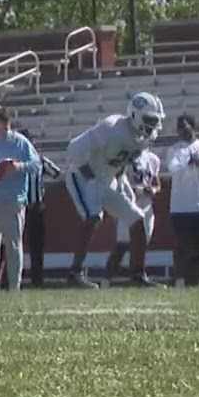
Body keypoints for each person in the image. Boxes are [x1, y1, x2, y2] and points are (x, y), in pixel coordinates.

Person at [63, 93, 165, 288]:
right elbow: (74, 148)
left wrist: (120, 179)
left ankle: (138, 275)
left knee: (137, 218)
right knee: (93, 218)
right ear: (135, 115)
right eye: (149, 119)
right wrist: (90, 177)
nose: (152, 125)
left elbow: (122, 158)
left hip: (108, 179)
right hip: (84, 176)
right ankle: (74, 273)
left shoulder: (144, 136)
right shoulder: (112, 127)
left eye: (155, 120)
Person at [0, 107, 40, 292]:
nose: (1, 131)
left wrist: (18, 167)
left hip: (12, 200)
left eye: (4, 127)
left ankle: (14, 285)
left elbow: (36, 164)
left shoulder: (20, 142)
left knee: (13, 244)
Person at [164, 115, 199, 286]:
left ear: (193, 127)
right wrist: (188, 161)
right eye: (179, 127)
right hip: (180, 206)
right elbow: (173, 167)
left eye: (185, 126)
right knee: (182, 246)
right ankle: (180, 280)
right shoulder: (174, 149)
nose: (182, 130)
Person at [105, 143, 164, 286]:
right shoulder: (127, 156)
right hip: (129, 204)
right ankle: (105, 278)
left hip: (146, 206)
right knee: (123, 243)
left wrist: (154, 190)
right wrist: (138, 191)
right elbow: (117, 181)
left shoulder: (153, 159)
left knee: (142, 243)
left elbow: (157, 183)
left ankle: (138, 276)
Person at [19, 126, 58, 288]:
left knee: (37, 246)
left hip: (36, 207)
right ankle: (10, 281)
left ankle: (37, 280)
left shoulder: (41, 160)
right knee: (14, 245)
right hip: (19, 206)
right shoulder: (14, 161)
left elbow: (57, 173)